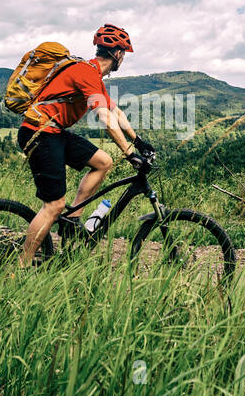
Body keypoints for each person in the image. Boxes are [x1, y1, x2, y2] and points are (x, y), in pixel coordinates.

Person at [17, 24, 151, 266]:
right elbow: (105, 117)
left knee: (103, 162)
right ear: (118, 54)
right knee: (54, 206)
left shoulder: (93, 74)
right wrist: (130, 154)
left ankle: (73, 218)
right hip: (39, 134)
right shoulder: (86, 72)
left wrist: (138, 141)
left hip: (54, 132)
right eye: (124, 54)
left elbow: (114, 111)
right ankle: (21, 266)